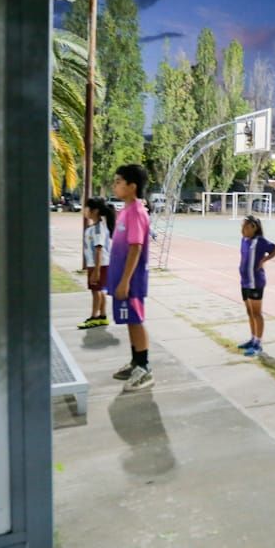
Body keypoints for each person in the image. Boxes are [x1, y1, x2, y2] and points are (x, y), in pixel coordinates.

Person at [107, 164, 155, 391]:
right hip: (120, 278)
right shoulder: (124, 210)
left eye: (118, 181)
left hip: (131, 281)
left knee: (135, 320)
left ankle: (144, 368)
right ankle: (136, 361)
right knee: (128, 320)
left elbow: (135, 248)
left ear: (132, 186)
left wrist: (125, 280)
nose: (114, 185)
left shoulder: (136, 211)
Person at [237, 215, 275, 357]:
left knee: (256, 313)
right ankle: (252, 338)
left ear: (253, 227)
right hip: (244, 282)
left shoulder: (260, 242)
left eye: (245, 226)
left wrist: (264, 260)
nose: (242, 229)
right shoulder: (244, 240)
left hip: (255, 282)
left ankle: (258, 344)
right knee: (250, 312)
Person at [78, 198, 112, 329]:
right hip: (96, 264)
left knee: (95, 291)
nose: (84, 210)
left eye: (86, 207)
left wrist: (96, 271)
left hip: (99, 264)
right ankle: (102, 316)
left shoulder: (98, 229)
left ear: (95, 211)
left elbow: (99, 250)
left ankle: (94, 317)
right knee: (99, 290)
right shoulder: (93, 228)